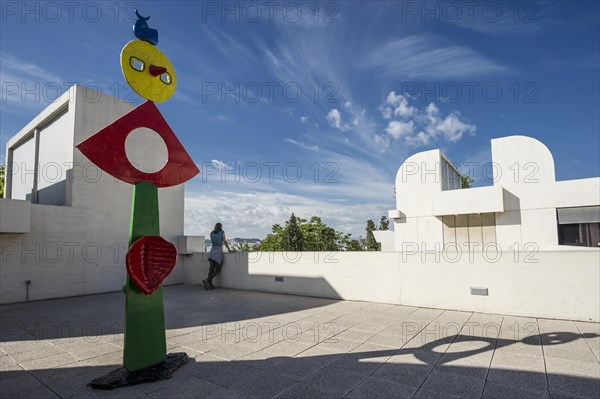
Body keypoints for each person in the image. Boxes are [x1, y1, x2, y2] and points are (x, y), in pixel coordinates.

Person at [204, 223, 233, 290]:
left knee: (211, 269)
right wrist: (229, 249)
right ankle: (207, 280)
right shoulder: (222, 232)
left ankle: (209, 284)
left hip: (212, 251)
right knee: (218, 269)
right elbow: (225, 241)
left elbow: (213, 241)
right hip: (218, 251)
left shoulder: (211, 233)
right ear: (220, 227)